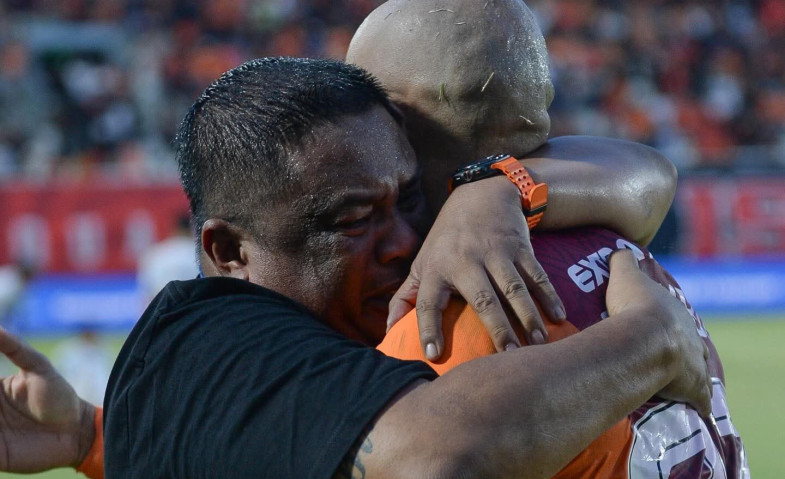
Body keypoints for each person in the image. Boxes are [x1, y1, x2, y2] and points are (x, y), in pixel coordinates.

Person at [0, 58, 710, 478]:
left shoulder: (377, 285)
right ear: (228, 250)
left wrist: (497, 187)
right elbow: (436, 457)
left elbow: (646, 170)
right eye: (350, 220)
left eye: (407, 198)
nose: (405, 240)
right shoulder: (210, 340)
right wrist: (648, 341)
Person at [347, 0, 748, 477]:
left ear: (392, 120)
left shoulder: (442, 328)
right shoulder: (624, 251)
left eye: (356, 100)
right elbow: (651, 170)